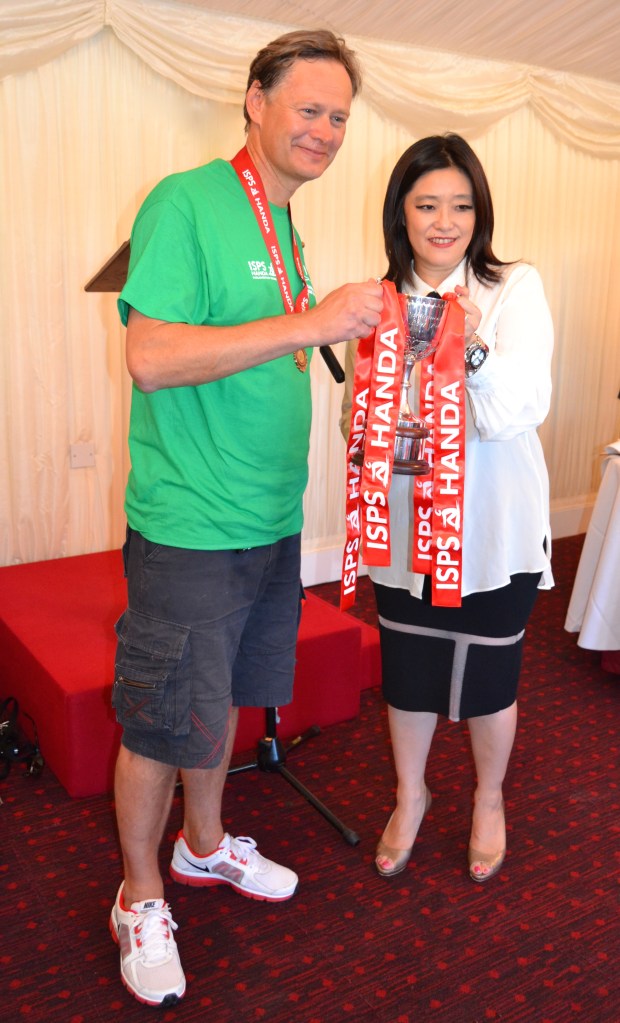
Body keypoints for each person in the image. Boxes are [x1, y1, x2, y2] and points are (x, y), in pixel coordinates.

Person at [109, 29, 384, 1007]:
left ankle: (204, 845)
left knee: (217, 702)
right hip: (189, 524)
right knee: (156, 722)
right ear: (255, 101)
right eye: (307, 107)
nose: (323, 130)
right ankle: (139, 893)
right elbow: (152, 355)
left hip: (265, 523)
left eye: (339, 117)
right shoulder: (186, 201)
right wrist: (314, 322)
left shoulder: (287, 225)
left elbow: (258, 353)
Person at [341, 133, 553, 884]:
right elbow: (354, 420)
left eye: (460, 204)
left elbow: (522, 407)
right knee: (410, 669)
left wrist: (460, 344)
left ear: (479, 211)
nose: (444, 220)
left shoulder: (514, 287)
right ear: (401, 211)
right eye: (427, 203)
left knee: (492, 675)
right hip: (403, 524)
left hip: (493, 524)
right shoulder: (377, 299)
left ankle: (488, 797)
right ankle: (411, 793)